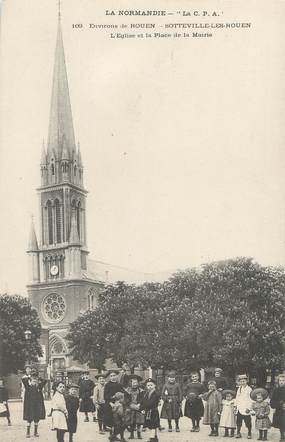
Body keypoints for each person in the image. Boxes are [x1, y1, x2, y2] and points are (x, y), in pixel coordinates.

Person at [22, 368, 46, 438]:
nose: (34, 380)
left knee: (36, 418)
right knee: (29, 419)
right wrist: (30, 377)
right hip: (30, 405)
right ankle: (28, 432)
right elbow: (23, 380)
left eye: (35, 378)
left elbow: (45, 381)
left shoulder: (39, 386)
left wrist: (39, 378)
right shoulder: (28, 386)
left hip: (37, 405)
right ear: (30, 379)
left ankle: (35, 431)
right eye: (33, 378)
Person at [104, 370, 126, 435]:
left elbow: (123, 394)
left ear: (117, 376)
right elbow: (105, 396)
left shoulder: (119, 384)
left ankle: (121, 437)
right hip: (110, 404)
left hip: (119, 404)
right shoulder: (107, 385)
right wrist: (111, 402)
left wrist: (120, 400)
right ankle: (112, 437)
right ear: (109, 377)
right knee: (111, 422)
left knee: (120, 421)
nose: (113, 377)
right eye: (111, 376)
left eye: (114, 375)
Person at [124, 374, 145, 439]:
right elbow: (126, 399)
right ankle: (132, 434)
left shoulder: (141, 391)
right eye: (133, 382)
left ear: (138, 383)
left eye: (136, 382)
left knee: (139, 422)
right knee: (131, 422)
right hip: (131, 407)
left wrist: (139, 404)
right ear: (130, 383)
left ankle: (139, 434)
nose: (135, 384)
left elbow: (142, 399)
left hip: (138, 407)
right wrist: (130, 405)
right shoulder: (127, 390)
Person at [235, 374, 253, 439]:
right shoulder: (239, 389)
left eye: (244, 381)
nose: (242, 383)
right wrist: (235, 406)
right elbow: (237, 398)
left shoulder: (249, 389)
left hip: (246, 407)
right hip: (240, 407)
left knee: (248, 421)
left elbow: (251, 399)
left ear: (246, 381)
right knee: (238, 421)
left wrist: (249, 408)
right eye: (241, 381)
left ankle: (249, 432)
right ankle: (238, 432)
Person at [270, 373, 285, 442]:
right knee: (282, 423)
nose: (281, 382)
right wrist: (279, 404)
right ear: (278, 381)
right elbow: (272, 402)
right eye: (280, 380)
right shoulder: (276, 390)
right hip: (280, 410)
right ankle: (282, 436)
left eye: (283, 380)